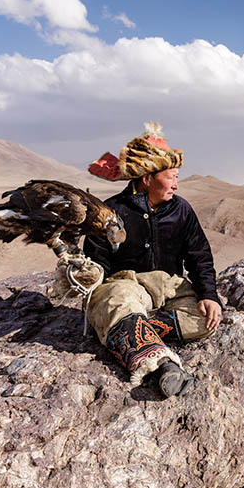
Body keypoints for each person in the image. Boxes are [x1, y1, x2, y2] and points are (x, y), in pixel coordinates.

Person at [82, 122, 222, 398]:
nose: (176, 184)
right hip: (124, 286)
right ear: (147, 178)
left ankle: (126, 329)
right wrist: (89, 279)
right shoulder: (112, 211)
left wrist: (209, 294)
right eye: (171, 177)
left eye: (176, 176)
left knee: (207, 319)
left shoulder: (181, 210)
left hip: (169, 289)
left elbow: (199, 255)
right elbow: (95, 264)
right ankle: (163, 367)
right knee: (113, 301)